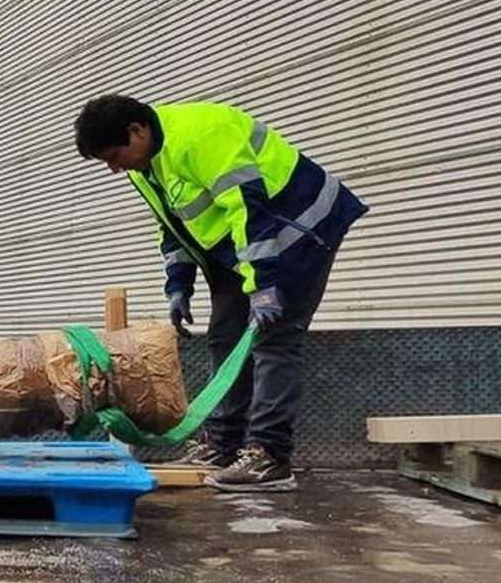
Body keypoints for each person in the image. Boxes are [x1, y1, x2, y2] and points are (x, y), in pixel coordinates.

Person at [74, 96, 367, 491]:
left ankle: (270, 457)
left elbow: (249, 208)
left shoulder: (202, 134)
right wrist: (179, 285)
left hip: (298, 233)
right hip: (242, 248)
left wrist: (265, 285)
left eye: (114, 155)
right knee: (225, 337)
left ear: (136, 131)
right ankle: (221, 445)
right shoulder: (144, 166)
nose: (114, 168)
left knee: (274, 339)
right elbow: (174, 227)